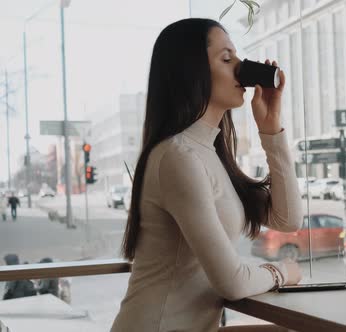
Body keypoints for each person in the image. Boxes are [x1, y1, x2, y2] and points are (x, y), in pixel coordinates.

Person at [111, 19, 303, 332]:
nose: (241, 68)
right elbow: (232, 282)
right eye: (227, 59)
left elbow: (288, 219)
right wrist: (282, 271)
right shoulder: (178, 157)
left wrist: (271, 130)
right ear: (192, 72)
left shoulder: (207, 153)